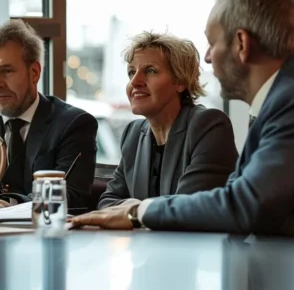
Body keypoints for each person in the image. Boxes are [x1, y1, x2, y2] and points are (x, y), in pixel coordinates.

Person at [71, 0, 294, 242]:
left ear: (241, 44)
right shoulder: (291, 95)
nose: (206, 58)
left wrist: (139, 211)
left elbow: (245, 206)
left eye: (212, 43)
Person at [0, 19, 98, 210]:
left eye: (6, 71)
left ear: (34, 72)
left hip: (47, 237)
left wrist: (10, 204)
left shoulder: (74, 124)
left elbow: (70, 195)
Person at [97, 32, 238, 210]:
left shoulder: (209, 125)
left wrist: (134, 211)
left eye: (150, 71)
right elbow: (107, 202)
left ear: (180, 81)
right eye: (132, 72)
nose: (135, 81)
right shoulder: (132, 133)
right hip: (146, 238)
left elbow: (188, 207)